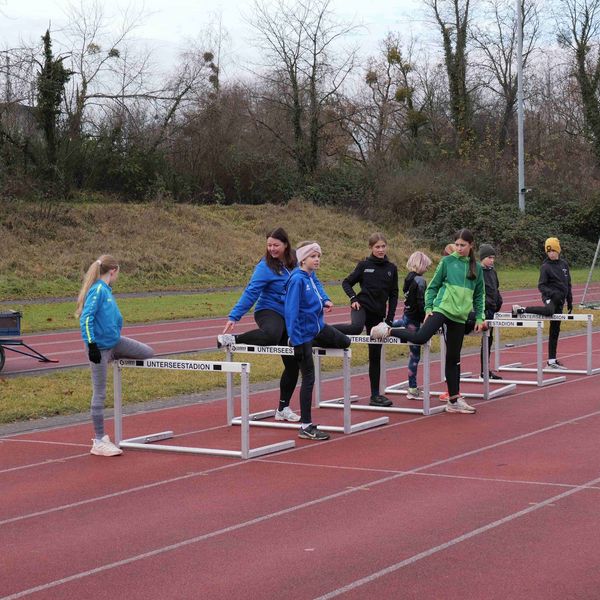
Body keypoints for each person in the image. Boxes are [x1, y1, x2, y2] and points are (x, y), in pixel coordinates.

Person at [219, 227, 348, 423]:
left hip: (292, 314)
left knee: (292, 363)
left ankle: (282, 408)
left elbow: (313, 279)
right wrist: (234, 316)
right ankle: (233, 339)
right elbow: (251, 292)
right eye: (269, 245)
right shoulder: (265, 267)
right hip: (269, 310)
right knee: (272, 334)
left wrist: (325, 298)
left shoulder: (298, 259)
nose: (272, 249)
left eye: (276, 245)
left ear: (286, 245)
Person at [371, 229, 485, 414]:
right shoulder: (447, 262)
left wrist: (479, 317)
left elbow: (479, 294)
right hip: (442, 309)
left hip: (460, 316)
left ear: (471, 245)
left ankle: (453, 401)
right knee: (420, 337)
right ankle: (388, 330)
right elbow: (432, 287)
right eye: (456, 245)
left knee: (453, 358)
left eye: (463, 245)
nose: (459, 248)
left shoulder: (477, 268)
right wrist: (429, 308)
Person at [76, 255, 154, 457]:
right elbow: (86, 318)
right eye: (118, 273)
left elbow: (113, 318)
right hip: (99, 348)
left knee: (147, 352)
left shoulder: (107, 290)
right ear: (113, 271)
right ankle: (99, 440)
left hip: (114, 343)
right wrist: (92, 345)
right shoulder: (98, 290)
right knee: (100, 393)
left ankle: (114, 356)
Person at [285, 241, 350, 440]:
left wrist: (325, 300)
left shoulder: (310, 276)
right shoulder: (297, 280)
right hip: (303, 335)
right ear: (302, 259)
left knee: (345, 342)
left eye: (319, 256)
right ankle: (305, 426)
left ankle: (311, 344)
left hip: (317, 328)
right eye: (313, 256)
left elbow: (318, 288)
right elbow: (291, 312)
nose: (317, 260)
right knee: (309, 378)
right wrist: (296, 340)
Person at [333, 233, 399, 407]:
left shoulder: (391, 268)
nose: (381, 250)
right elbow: (346, 282)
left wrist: (389, 320)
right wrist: (353, 298)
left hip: (378, 315)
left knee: (375, 355)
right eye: (377, 247)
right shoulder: (364, 265)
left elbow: (394, 295)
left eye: (383, 246)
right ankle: (323, 329)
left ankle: (375, 396)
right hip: (361, 308)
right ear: (371, 248)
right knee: (355, 328)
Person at [512, 237, 573, 369]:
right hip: (550, 297)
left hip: (561, 300)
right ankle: (522, 309)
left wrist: (570, 301)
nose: (551, 254)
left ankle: (551, 361)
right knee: (549, 311)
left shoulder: (564, 265)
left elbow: (568, 284)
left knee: (555, 329)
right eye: (548, 251)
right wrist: (552, 294)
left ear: (558, 250)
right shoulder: (545, 267)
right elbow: (541, 286)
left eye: (553, 251)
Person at [391, 251, 432, 400]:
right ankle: (412, 388)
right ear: (420, 265)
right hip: (414, 319)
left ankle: (386, 325)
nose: (427, 269)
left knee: (401, 323)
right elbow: (421, 302)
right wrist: (425, 318)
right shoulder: (420, 281)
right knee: (415, 356)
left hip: (407, 315)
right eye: (426, 266)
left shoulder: (408, 278)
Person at [479, 243, 503, 379]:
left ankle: (485, 370)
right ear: (482, 258)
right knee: (485, 338)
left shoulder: (493, 271)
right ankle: (483, 372)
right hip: (483, 311)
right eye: (489, 257)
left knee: (489, 339)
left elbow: (496, 288)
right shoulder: (478, 272)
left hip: (492, 310)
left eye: (493, 258)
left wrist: (499, 301)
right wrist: (486, 304)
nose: (492, 260)